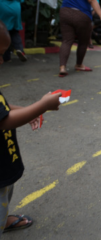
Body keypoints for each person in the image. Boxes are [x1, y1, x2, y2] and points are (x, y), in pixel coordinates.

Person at [0, 21, 62, 237]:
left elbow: (3, 109)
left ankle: (3, 219)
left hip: (4, 164)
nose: (2, 60)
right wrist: (42, 105)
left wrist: (28, 112)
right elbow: (3, 121)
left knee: (5, 193)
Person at [58, 0, 101, 77]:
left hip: (65, 12)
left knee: (66, 41)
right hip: (81, 14)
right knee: (83, 42)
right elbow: (92, 0)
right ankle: (79, 65)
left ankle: (62, 67)